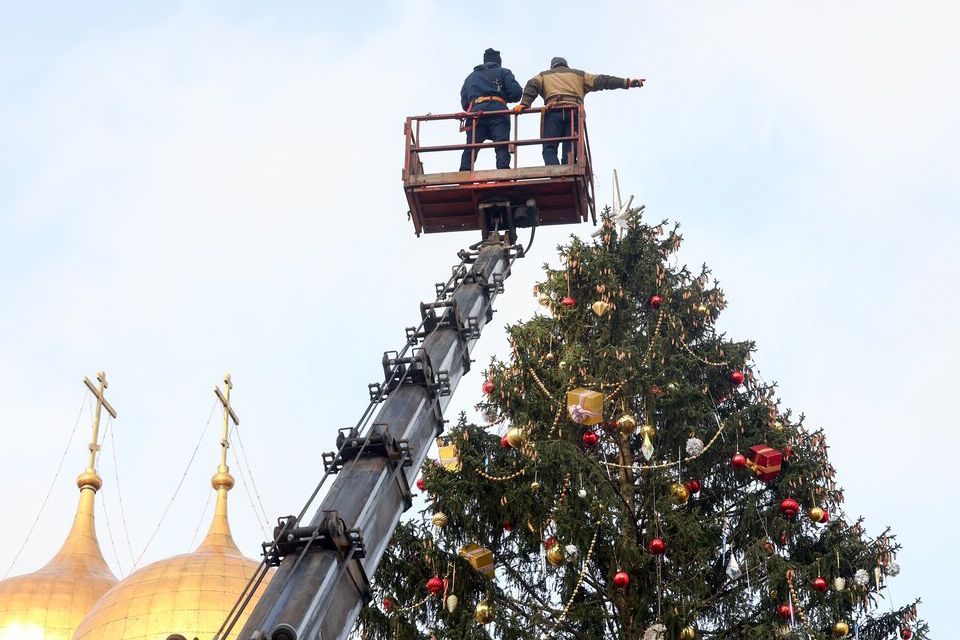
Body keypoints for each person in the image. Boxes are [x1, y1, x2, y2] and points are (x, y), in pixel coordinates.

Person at [515, 57, 643, 165]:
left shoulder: (543, 75)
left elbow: (532, 85)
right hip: (574, 112)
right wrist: (627, 83)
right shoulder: (579, 75)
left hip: (553, 112)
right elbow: (604, 80)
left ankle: (555, 174)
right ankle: (567, 169)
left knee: (549, 148)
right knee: (570, 148)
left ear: (552, 67)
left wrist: (525, 104)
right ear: (566, 65)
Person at [459, 48, 523, 171]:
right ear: (498, 62)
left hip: (475, 114)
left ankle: (464, 172)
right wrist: (502, 96)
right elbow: (516, 93)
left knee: (471, 146)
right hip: (497, 110)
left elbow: (464, 102)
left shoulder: (470, 77)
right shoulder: (503, 72)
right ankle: (503, 171)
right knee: (501, 144)